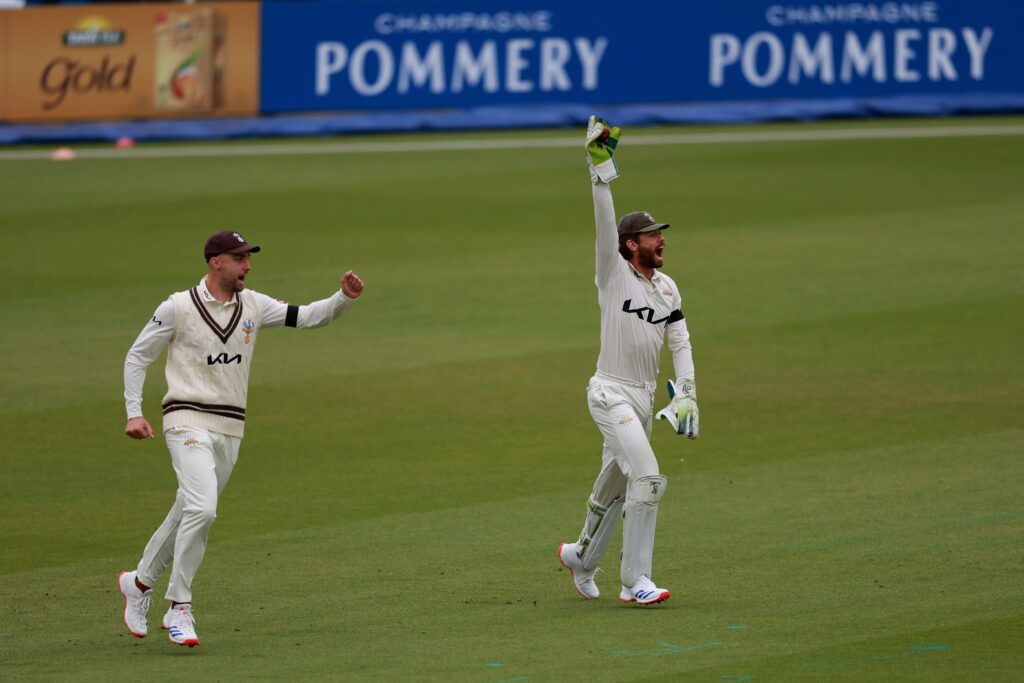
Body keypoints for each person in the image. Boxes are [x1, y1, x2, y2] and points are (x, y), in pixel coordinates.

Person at [118, 230, 365, 646]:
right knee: (204, 507)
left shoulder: (254, 304)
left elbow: (307, 316)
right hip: (186, 419)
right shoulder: (177, 307)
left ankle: (138, 584)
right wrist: (133, 412)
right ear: (216, 262)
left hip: (230, 427)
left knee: (188, 510)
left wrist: (343, 298)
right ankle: (180, 606)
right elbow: (138, 355)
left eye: (248, 257)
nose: (247, 265)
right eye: (239, 258)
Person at [557, 117, 700, 605]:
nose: (660, 239)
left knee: (616, 488)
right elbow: (602, 221)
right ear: (630, 245)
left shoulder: (666, 287)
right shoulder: (612, 274)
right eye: (651, 235)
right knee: (648, 477)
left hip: (642, 398)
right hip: (609, 391)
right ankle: (634, 582)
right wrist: (600, 167)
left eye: (660, 232)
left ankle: (580, 556)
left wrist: (687, 394)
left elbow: (679, 340)